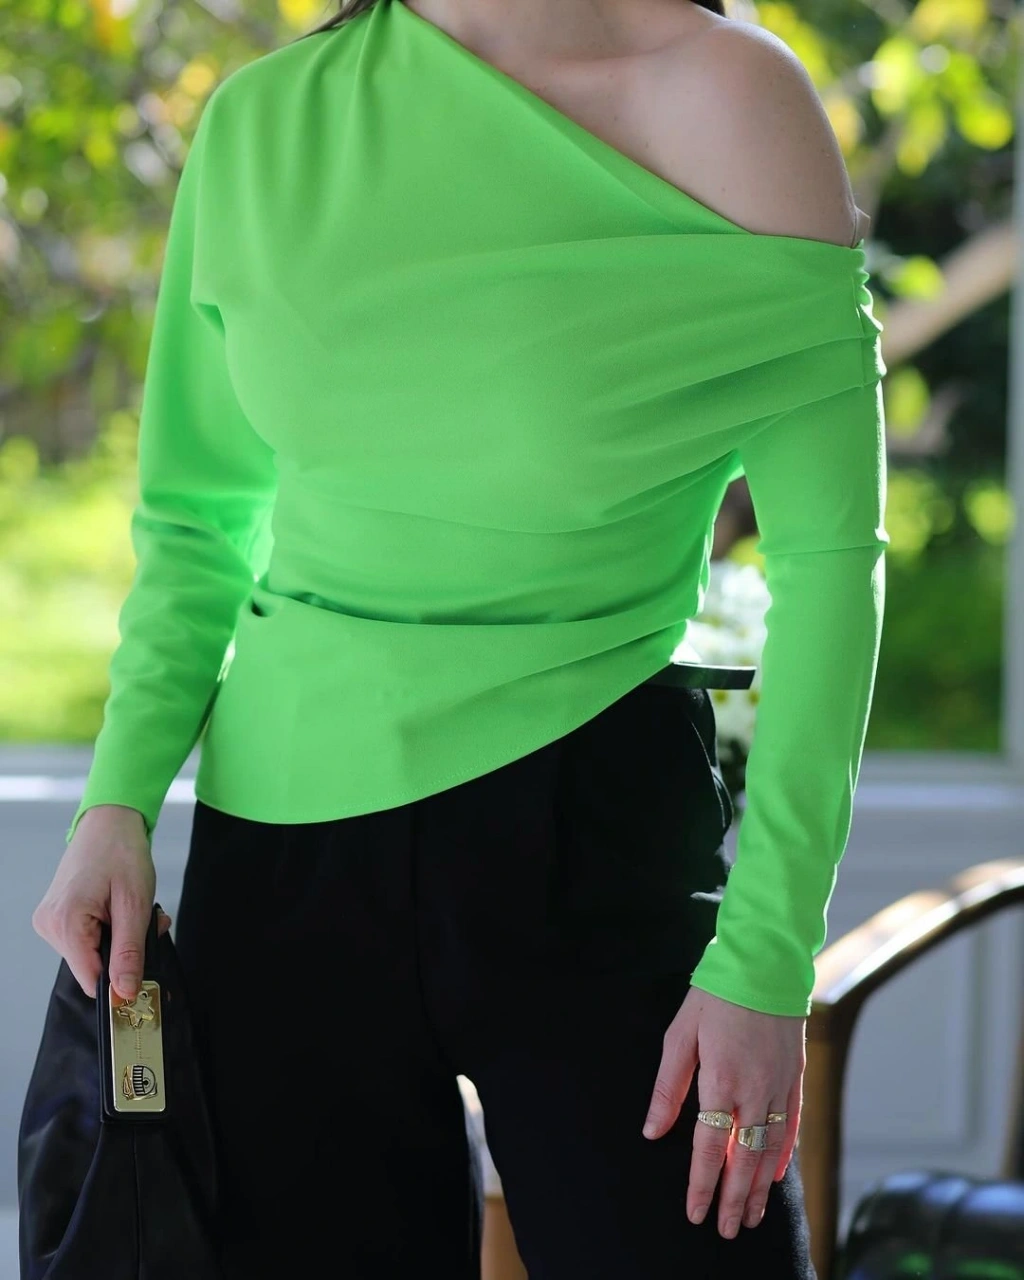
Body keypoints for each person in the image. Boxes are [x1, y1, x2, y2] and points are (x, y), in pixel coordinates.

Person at [30, 0, 887, 1275]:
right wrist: (118, 799)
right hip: (282, 861)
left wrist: (765, 961)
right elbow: (199, 523)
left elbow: (829, 573)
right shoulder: (265, 121)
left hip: (593, 839)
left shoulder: (732, 104)